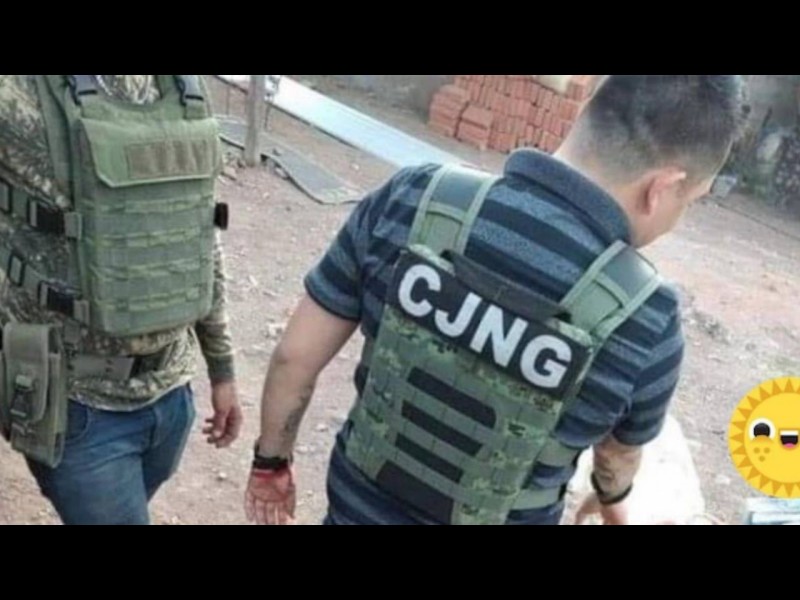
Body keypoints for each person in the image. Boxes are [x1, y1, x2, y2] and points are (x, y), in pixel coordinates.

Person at [244, 75, 746, 525]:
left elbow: (294, 357)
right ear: (663, 187)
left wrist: (271, 464)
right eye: (690, 201)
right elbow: (617, 458)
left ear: (587, 106)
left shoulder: (414, 196)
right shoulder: (648, 320)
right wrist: (613, 503)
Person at [0, 75, 241, 525]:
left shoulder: (181, 88)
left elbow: (200, 236)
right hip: (75, 405)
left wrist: (222, 369)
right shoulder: (19, 90)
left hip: (171, 391)